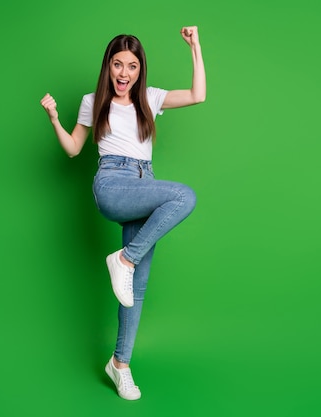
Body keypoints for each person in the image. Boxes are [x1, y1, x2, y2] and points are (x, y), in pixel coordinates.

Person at [40, 26, 206, 400]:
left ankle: (120, 364)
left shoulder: (150, 98)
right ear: (108, 67)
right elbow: (72, 149)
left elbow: (199, 95)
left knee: (135, 291)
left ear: (139, 69)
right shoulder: (92, 101)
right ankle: (125, 260)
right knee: (184, 196)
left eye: (131, 66)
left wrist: (195, 46)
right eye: (118, 64)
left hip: (144, 185)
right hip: (113, 184)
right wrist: (54, 118)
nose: (124, 73)